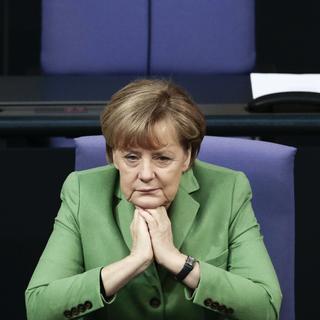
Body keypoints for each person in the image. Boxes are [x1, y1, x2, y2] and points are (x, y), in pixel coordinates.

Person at [25, 79, 282, 320]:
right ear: (113, 156)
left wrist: (177, 261)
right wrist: (132, 263)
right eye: (131, 157)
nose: (146, 175)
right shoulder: (82, 191)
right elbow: (38, 307)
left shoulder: (229, 190)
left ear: (187, 157)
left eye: (162, 158)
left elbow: (266, 307)